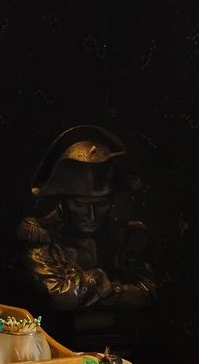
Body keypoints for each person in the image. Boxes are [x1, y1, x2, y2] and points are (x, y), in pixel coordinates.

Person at [17, 125, 156, 311]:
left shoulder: (126, 236)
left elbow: (147, 293)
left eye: (101, 204)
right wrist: (101, 281)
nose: (91, 215)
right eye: (81, 205)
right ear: (63, 202)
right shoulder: (43, 239)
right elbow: (58, 296)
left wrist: (106, 289)